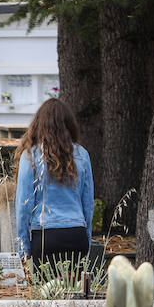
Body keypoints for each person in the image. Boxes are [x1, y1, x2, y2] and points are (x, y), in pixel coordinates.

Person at [14, 98, 95, 270]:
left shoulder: (30, 156)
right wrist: (86, 238)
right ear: (69, 124)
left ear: (38, 124)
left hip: (45, 235)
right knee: (75, 292)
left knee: (45, 295)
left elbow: (23, 206)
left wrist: (24, 249)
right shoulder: (82, 154)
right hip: (76, 233)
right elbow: (88, 203)